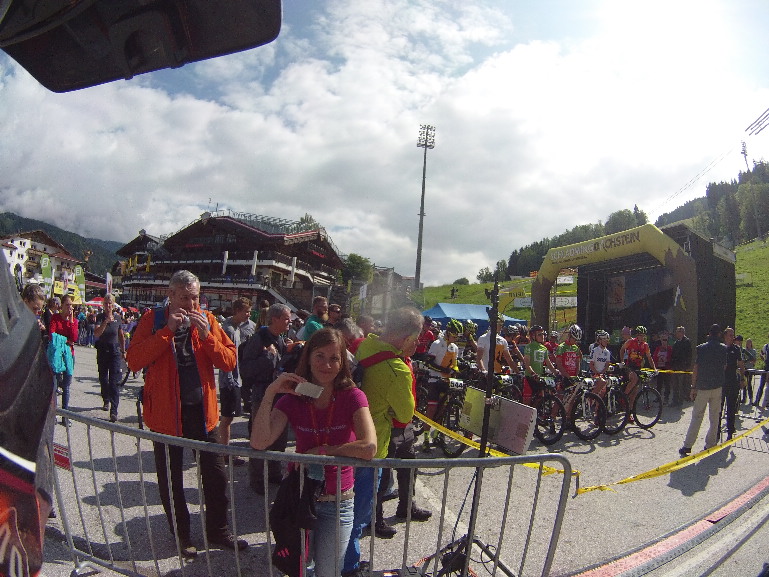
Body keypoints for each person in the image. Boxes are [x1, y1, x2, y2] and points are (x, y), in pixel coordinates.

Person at [126, 270, 245, 557]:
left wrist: (207, 336)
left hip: (204, 415)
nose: (192, 305)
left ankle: (218, 530)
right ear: (170, 295)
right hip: (166, 417)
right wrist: (166, 331)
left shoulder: (208, 320)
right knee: (171, 481)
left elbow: (229, 362)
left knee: (216, 477)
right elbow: (134, 360)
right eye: (184, 298)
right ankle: (182, 535)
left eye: (195, 298)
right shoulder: (152, 320)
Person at [251, 328, 377, 577]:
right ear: (308, 358)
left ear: (342, 363)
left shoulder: (352, 396)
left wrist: (324, 451)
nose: (326, 365)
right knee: (297, 570)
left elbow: (369, 447)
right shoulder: (293, 399)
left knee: (328, 573)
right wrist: (270, 393)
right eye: (320, 356)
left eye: (334, 358)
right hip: (300, 497)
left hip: (338, 501)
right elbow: (259, 441)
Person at [343, 307, 423, 577]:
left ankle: (344, 559)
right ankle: (348, 566)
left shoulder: (364, 344)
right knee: (357, 514)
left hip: (345, 437)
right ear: (407, 337)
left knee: (342, 507)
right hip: (372, 446)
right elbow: (405, 414)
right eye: (415, 339)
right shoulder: (397, 369)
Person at [239, 303, 292, 494]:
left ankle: (274, 473)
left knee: (279, 437)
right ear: (275, 319)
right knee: (260, 436)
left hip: (280, 394)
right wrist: (268, 357)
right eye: (286, 319)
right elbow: (246, 369)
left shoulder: (279, 339)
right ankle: (257, 479)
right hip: (262, 395)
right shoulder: (259, 339)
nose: (289, 322)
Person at [680, 324, 727, 456]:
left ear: (709, 334)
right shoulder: (723, 348)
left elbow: (696, 368)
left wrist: (693, 386)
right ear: (719, 334)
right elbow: (724, 366)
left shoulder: (701, 348)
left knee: (697, 416)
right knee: (714, 417)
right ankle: (710, 443)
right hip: (717, 386)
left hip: (703, 386)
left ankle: (688, 445)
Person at [218, 297, 255, 464]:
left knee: (229, 417)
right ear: (238, 311)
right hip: (230, 380)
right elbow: (227, 357)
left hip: (234, 378)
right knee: (227, 417)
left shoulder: (236, 327)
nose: (248, 315)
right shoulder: (230, 330)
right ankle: (224, 453)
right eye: (246, 312)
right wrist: (231, 380)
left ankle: (224, 451)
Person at [420, 319, 462, 451]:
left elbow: (454, 365)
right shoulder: (437, 344)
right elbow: (428, 362)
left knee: (443, 410)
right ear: (448, 333)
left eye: (457, 337)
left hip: (447, 381)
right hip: (435, 380)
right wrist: (443, 370)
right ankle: (425, 439)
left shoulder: (454, 347)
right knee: (432, 410)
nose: (455, 339)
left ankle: (437, 435)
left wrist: (456, 370)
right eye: (454, 336)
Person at [93, 293, 126, 422]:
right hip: (102, 350)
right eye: (106, 303)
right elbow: (96, 334)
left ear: (113, 305)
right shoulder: (100, 317)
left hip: (114, 352)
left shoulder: (118, 318)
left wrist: (123, 351)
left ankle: (114, 410)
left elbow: (121, 335)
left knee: (114, 382)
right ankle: (106, 399)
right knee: (103, 379)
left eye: (110, 303)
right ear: (103, 305)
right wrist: (105, 322)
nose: (108, 306)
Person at [49, 294, 78, 422]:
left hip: (69, 355)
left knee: (66, 386)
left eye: (71, 305)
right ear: (62, 306)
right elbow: (52, 334)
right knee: (54, 385)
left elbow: (74, 338)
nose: (70, 307)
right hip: (57, 355)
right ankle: (53, 413)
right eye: (67, 305)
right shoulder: (55, 318)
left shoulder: (74, 321)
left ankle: (65, 416)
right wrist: (66, 341)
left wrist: (70, 321)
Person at [619, 326, 657, 405]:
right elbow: (622, 349)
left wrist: (654, 368)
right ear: (637, 335)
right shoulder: (630, 341)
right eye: (641, 335)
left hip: (638, 367)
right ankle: (624, 396)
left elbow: (649, 358)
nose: (643, 337)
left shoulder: (645, 345)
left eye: (644, 335)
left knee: (635, 392)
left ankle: (630, 410)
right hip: (629, 366)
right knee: (634, 378)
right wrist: (622, 361)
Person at [522, 325, 560, 404]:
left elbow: (549, 363)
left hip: (540, 377)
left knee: (540, 400)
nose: (542, 336)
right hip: (530, 377)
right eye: (539, 334)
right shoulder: (529, 347)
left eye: (543, 334)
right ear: (533, 336)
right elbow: (527, 363)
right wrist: (533, 373)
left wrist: (556, 372)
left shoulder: (544, 348)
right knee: (527, 403)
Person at [722, 327, 745, 440]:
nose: (733, 337)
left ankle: (730, 431)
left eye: (733, 335)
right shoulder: (721, 348)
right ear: (725, 336)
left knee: (731, 407)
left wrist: (742, 379)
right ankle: (716, 431)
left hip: (733, 381)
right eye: (730, 335)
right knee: (718, 407)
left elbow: (741, 364)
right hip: (721, 382)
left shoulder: (736, 349)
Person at [669, 326, 692, 408]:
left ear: (682, 332)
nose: (676, 333)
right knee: (675, 385)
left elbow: (689, 355)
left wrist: (687, 365)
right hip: (675, 366)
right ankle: (674, 401)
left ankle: (680, 402)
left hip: (682, 367)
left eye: (678, 332)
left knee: (681, 385)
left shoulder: (687, 342)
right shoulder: (676, 342)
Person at [588, 330, 612, 397]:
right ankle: (591, 397)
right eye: (604, 340)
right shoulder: (594, 350)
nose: (606, 342)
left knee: (603, 391)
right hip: (594, 373)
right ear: (600, 341)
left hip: (602, 374)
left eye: (607, 340)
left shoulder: (607, 352)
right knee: (603, 382)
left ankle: (597, 403)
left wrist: (602, 373)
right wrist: (597, 373)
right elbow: (591, 364)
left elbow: (607, 365)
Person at [653, 331, 672, 404]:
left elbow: (671, 358)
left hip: (667, 368)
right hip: (659, 368)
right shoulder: (658, 348)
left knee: (667, 384)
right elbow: (654, 357)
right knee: (659, 383)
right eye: (662, 340)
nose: (664, 342)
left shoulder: (670, 348)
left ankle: (666, 398)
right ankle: (658, 397)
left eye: (665, 340)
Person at [740, 336, 756, 404]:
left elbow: (754, 360)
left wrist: (748, 361)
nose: (748, 344)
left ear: (751, 344)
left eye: (749, 343)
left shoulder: (753, 351)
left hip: (750, 369)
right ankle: (744, 398)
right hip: (745, 368)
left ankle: (751, 399)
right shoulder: (744, 351)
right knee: (744, 384)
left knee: (749, 384)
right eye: (747, 343)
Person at [758, 338, 769, 408]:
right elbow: (761, 353)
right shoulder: (766, 346)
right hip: (766, 368)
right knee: (761, 385)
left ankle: (767, 402)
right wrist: (764, 360)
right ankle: (757, 400)